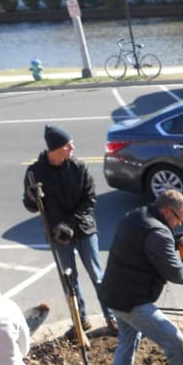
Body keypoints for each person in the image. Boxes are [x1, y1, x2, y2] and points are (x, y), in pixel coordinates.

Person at [99, 190, 183, 365]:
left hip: (113, 294)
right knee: (174, 339)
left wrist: (171, 239)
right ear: (167, 211)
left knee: (128, 340)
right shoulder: (157, 233)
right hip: (132, 302)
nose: (178, 225)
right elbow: (176, 273)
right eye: (179, 219)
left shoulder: (136, 215)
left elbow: (146, 249)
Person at [23, 125, 117, 335]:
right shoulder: (35, 173)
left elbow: (89, 200)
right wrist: (32, 196)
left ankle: (111, 317)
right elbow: (30, 206)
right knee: (69, 278)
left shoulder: (78, 167)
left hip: (83, 229)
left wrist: (70, 224)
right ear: (56, 148)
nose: (72, 147)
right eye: (68, 144)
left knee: (97, 275)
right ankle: (80, 320)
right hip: (57, 235)